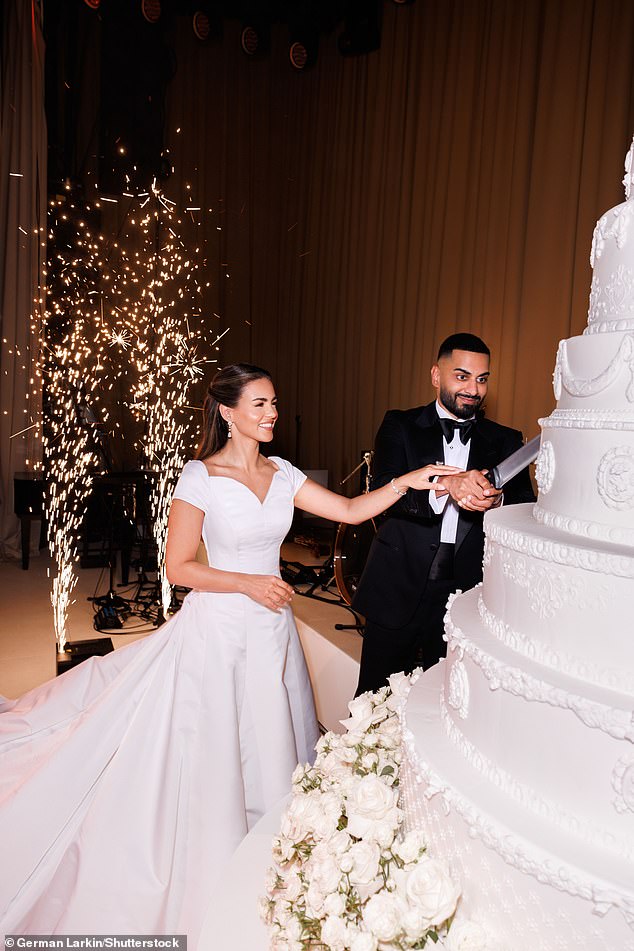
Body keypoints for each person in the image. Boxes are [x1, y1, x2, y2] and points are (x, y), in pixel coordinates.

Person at [0, 362, 458, 945]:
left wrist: (406, 481)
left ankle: (266, 842)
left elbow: (346, 510)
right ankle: (213, 842)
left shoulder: (283, 472)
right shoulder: (201, 477)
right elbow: (178, 566)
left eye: (273, 403)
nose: (271, 414)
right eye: (261, 404)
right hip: (219, 628)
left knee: (271, 735)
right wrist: (246, 583)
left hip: (270, 631)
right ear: (227, 411)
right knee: (215, 740)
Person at [352, 333, 536, 696]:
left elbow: (524, 509)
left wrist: (494, 501)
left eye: (482, 379)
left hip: (467, 592)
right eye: (462, 376)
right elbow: (387, 492)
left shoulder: (506, 440)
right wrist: (446, 487)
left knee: (447, 701)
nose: (473, 388)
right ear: (436, 375)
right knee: (373, 699)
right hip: (397, 582)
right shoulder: (399, 425)